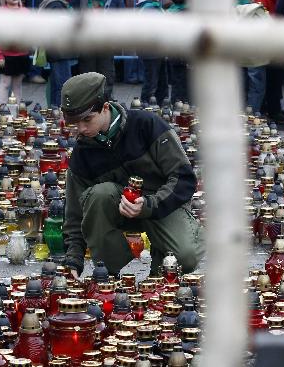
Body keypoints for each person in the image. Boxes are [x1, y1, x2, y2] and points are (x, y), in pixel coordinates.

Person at [61, 72, 204, 277]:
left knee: (185, 258)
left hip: (160, 205)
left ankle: (162, 257)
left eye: (87, 120)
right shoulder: (82, 153)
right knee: (99, 195)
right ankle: (109, 269)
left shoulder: (146, 125)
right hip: (120, 211)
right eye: (75, 123)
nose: (81, 129)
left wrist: (148, 205)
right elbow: (74, 215)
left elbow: (184, 178)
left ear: (105, 107)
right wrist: (73, 261)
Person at [70, 0, 124, 101]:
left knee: (107, 74)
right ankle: (88, 102)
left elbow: (121, 14)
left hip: (105, 42)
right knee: (87, 75)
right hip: (86, 43)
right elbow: (72, 17)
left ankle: (106, 103)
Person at [39, 0, 77, 107]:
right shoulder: (55, 5)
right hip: (59, 52)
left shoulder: (53, 2)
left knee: (58, 85)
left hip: (58, 52)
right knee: (63, 85)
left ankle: (55, 111)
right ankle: (59, 112)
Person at [0, 0, 31, 104]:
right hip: (5, 56)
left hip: (22, 54)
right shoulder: (0, 13)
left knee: (17, 85)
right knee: (4, 84)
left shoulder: (26, 12)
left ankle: (17, 112)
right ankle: (2, 110)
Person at [136, 0, 170, 106]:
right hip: (151, 51)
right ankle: (144, 106)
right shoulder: (148, 9)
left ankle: (161, 107)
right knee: (151, 83)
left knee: (161, 82)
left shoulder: (150, 7)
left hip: (156, 51)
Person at [167, 0, 190, 103]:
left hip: (173, 54)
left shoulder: (169, 12)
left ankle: (174, 105)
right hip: (186, 55)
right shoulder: (190, 13)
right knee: (187, 84)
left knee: (176, 82)